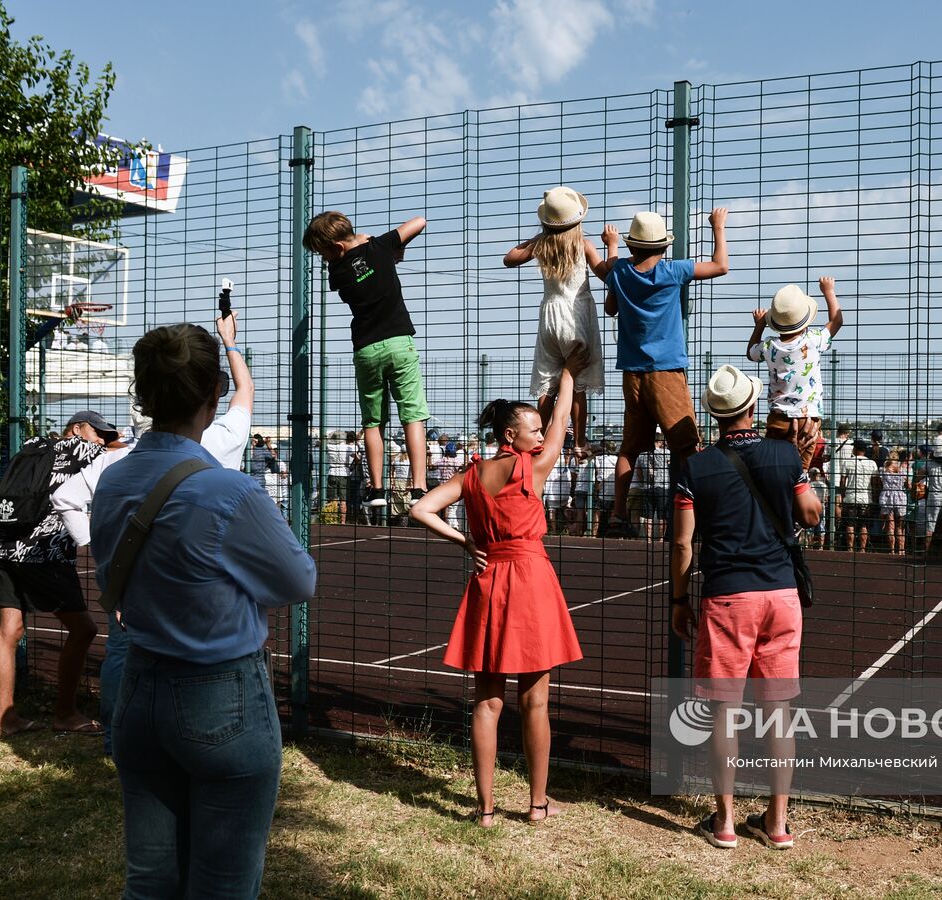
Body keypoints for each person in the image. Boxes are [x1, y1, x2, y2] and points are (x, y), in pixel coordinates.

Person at [91, 323, 315, 896]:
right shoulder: (227, 489)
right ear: (212, 392)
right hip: (221, 693)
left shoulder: (113, 481)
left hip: (139, 685)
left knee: (149, 881)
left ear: (142, 392)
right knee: (222, 884)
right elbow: (298, 580)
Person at [54, 311, 258, 756]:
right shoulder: (221, 442)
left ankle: (118, 737)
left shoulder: (115, 463)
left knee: (124, 655)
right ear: (208, 394)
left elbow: (67, 497)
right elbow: (245, 393)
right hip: (201, 593)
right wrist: (230, 343)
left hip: (132, 589)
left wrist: (93, 545)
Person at [411, 346, 590, 826]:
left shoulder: (472, 474)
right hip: (530, 579)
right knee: (535, 700)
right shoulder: (528, 466)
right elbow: (558, 434)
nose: (540, 433)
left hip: (490, 581)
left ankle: (486, 809)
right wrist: (568, 376)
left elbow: (420, 509)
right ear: (511, 435)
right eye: (531, 428)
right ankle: (536, 804)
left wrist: (465, 541)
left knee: (486, 702)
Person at [671, 365, 822, 850]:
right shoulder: (783, 454)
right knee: (779, 714)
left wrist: (678, 597)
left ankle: (725, 821)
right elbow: (811, 512)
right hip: (780, 594)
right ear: (753, 407)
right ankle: (777, 824)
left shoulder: (693, 468)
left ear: (715, 416)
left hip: (726, 596)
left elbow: (682, 543)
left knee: (723, 715)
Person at [597, 207, 729, 537]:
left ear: (631, 246)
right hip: (667, 371)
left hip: (633, 373)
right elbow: (720, 266)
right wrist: (718, 227)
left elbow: (611, 306)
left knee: (629, 449)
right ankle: (687, 516)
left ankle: (616, 516)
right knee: (686, 447)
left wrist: (610, 246)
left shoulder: (622, 272)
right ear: (664, 247)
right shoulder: (671, 272)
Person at [0, 409, 116, 738]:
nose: (102, 439)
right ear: (77, 429)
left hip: (4, 548)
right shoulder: (79, 449)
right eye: (97, 432)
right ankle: (65, 713)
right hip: (44, 551)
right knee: (84, 630)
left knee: (9, 629)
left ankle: (6, 718)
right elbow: (127, 452)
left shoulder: (32, 445)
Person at [303, 210, 431, 509]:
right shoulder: (379, 247)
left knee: (374, 421)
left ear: (335, 249)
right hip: (400, 342)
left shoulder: (337, 274)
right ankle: (419, 486)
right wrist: (375, 242)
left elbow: (352, 262)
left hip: (366, 349)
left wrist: (366, 247)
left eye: (323, 253)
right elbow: (419, 222)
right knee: (412, 415)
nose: (323, 260)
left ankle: (376, 490)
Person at [503, 186, 607, 452]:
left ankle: (536, 440)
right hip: (578, 315)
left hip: (550, 316)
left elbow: (509, 258)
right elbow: (604, 273)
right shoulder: (583, 245)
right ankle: (580, 442)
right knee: (578, 386)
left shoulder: (541, 245)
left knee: (547, 384)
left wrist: (538, 238)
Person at [745, 276, 846, 469]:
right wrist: (828, 290)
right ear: (805, 320)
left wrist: (759, 325)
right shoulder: (813, 340)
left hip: (779, 418)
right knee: (800, 471)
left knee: (775, 468)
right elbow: (837, 320)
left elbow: (751, 353)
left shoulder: (769, 345)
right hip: (808, 419)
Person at [835, 439, 878, 553]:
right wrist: (873, 498)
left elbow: (842, 482)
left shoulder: (847, 462)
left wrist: (843, 497)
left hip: (850, 497)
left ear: (855, 449)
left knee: (850, 524)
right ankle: (862, 550)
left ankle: (850, 549)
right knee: (864, 525)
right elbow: (874, 484)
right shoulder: (872, 464)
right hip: (866, 498)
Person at [878, 449, 909, 555]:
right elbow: (908, 485)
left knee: (890, 525)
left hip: (887, 498)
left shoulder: (883, 470)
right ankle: (901, 550)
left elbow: (879, 483)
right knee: (900, 527)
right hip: (900, 497)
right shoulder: (903, 470)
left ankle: (892, 550)